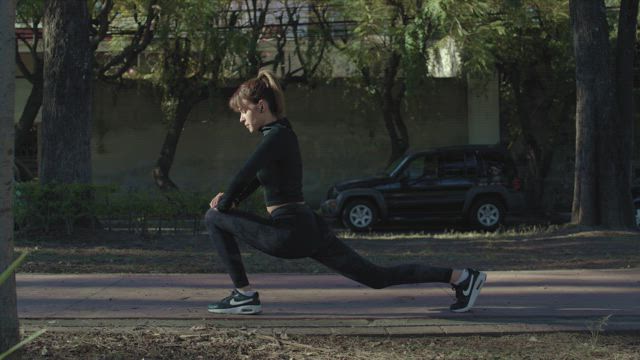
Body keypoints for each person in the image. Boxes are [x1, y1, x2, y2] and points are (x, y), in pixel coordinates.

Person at [204, 70, 486, 315]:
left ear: (261, 105)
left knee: (213, 217)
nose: (241, 119)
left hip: (289, 231)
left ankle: (244, 295)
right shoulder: (280, 133)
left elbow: (245, 172)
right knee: (376, 277)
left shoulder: (277, 136)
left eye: (243, 111)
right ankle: (461, 277)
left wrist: (225, 204)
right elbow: (256, 177)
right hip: (307, 227)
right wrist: (233, 199)